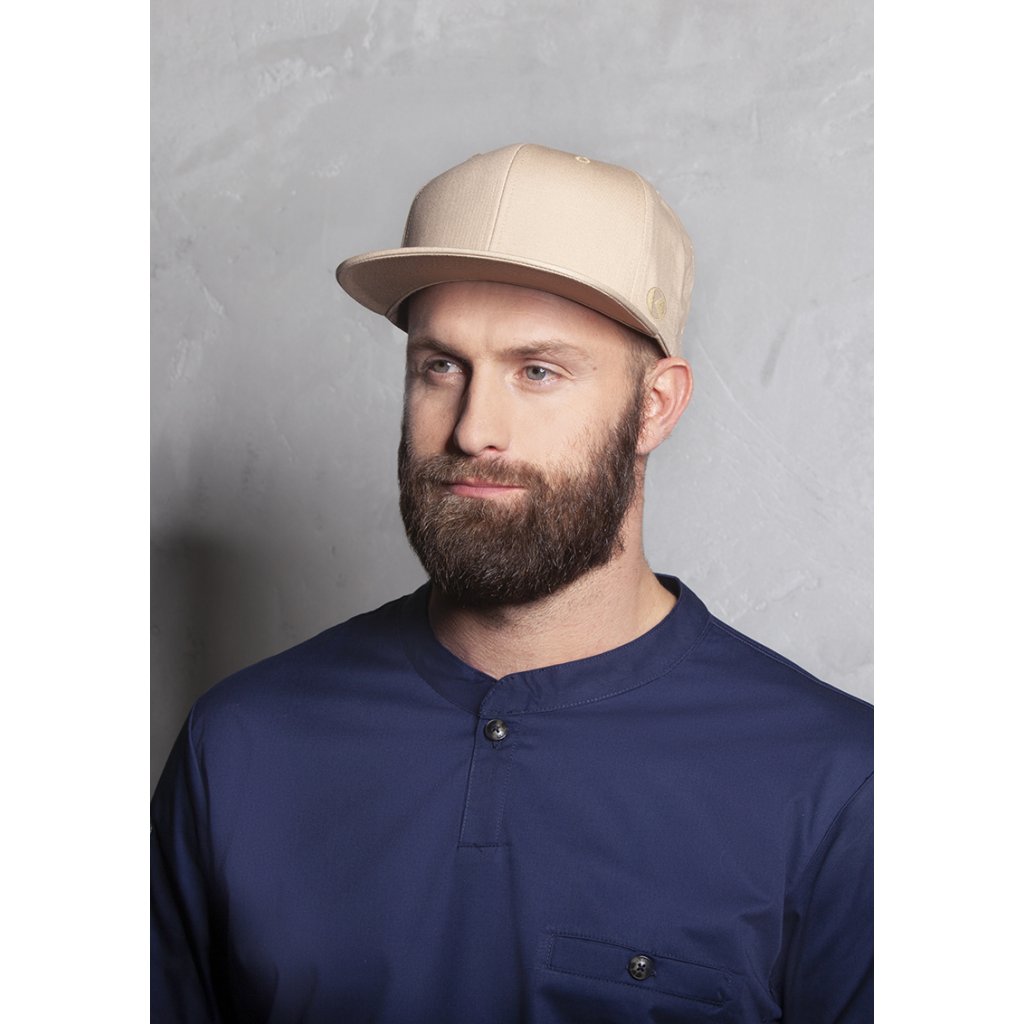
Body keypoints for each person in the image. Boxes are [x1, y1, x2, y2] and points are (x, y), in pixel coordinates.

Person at [151, 143, 872, 1023]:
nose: (472, 429)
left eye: (537, 371)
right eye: (441, 365)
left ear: (655, 406)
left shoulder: (840, 783)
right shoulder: (241, 743)